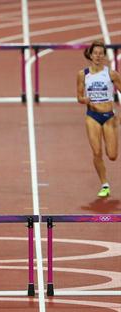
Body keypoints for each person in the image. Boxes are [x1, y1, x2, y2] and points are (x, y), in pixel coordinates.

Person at [76, 40, 121, 198]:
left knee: (113, 155)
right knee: (96, 152)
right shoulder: (83, 74)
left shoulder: (112, 74)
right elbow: (79, 96)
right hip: (92, 116)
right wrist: (84, 100)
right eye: (95, 53)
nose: (98, 56)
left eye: (101, 54)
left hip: (109, 117)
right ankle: (105, 184)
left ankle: (105, 182)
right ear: (90, 54)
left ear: (104, 56)